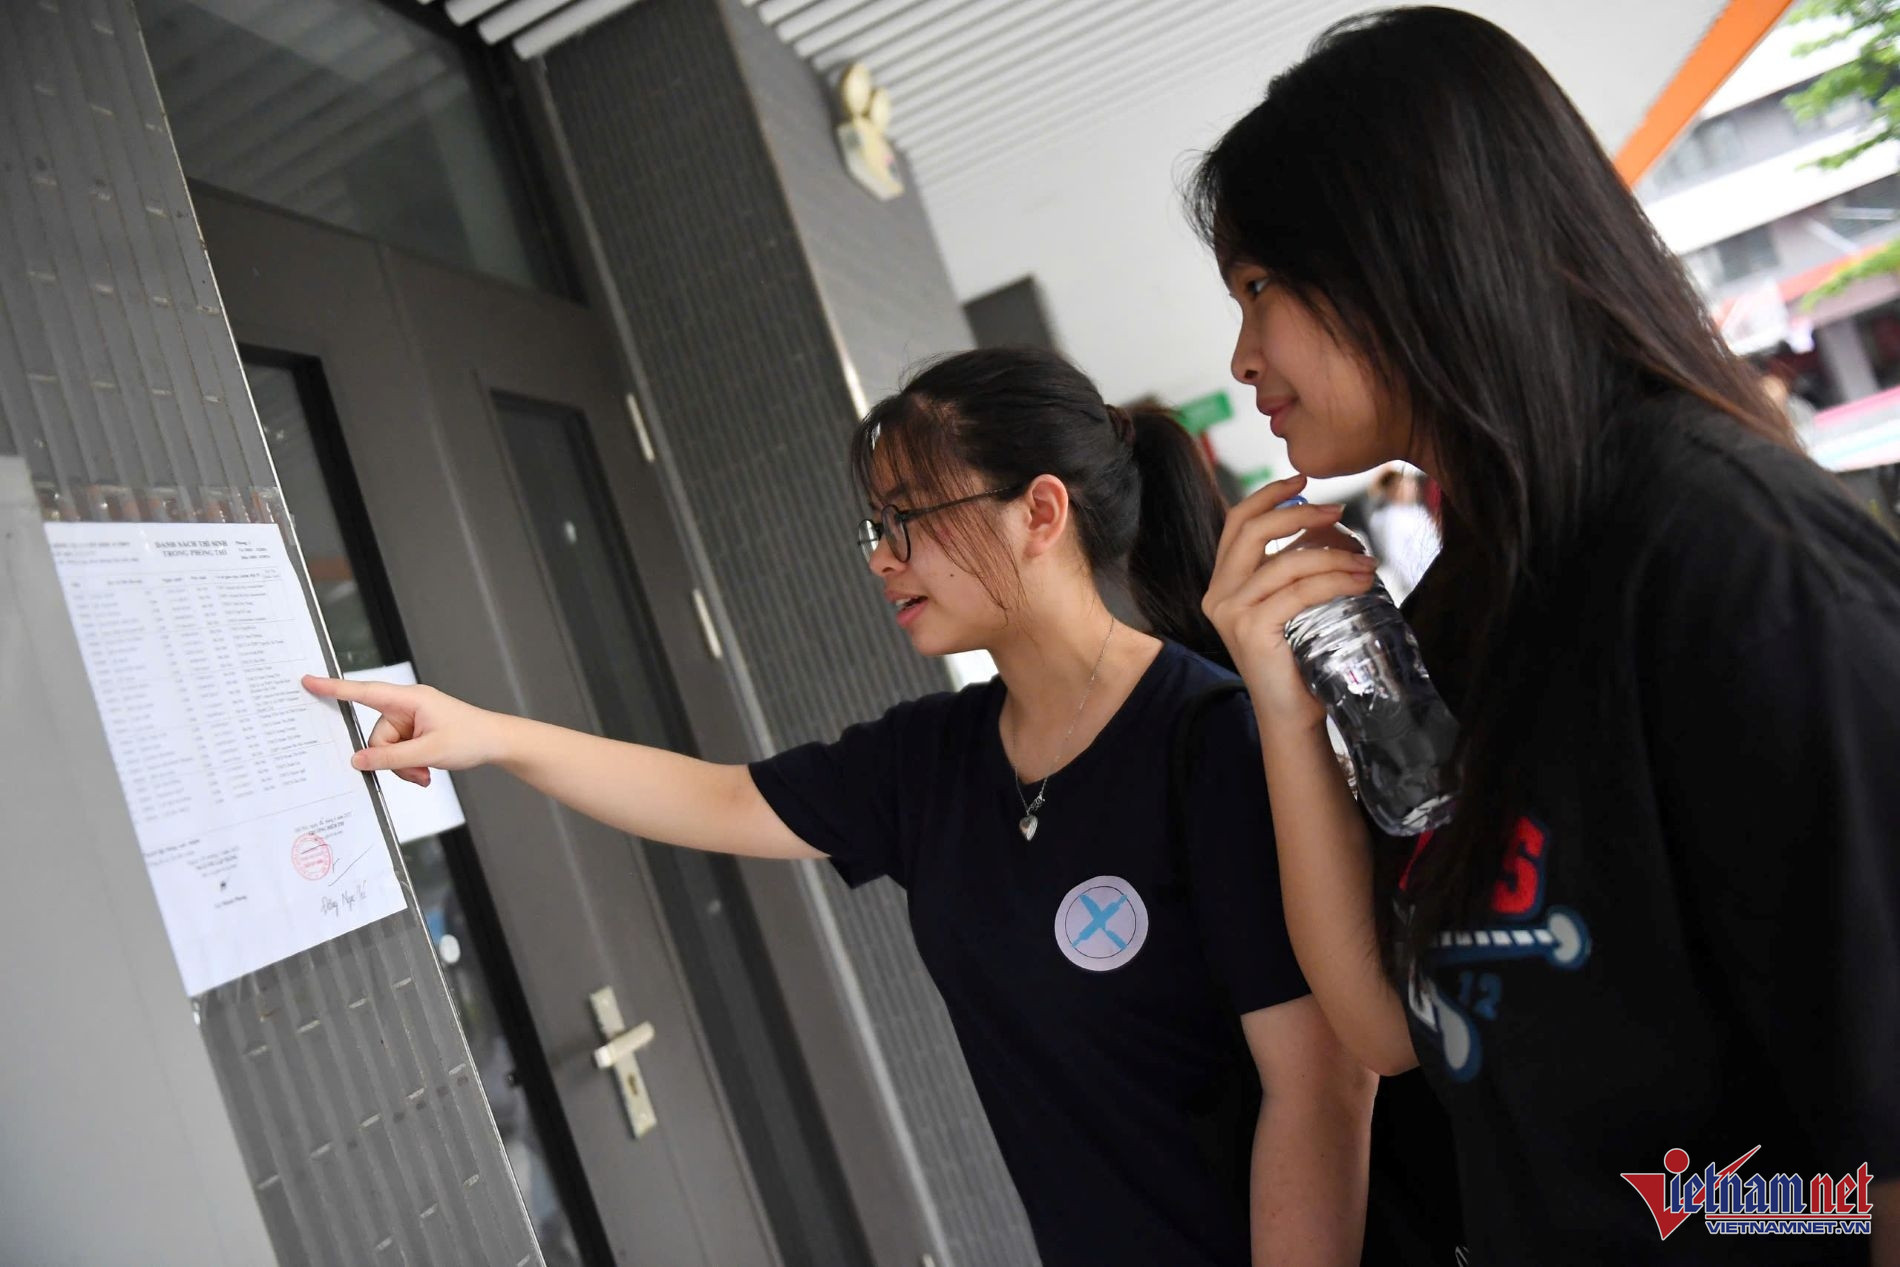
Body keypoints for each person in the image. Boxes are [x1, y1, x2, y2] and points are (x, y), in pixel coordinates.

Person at [305, 346, 1378, 1267]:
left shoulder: (1211, 740)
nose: (880, 555)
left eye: (908, 519)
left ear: (1040, 512)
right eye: (875, 523)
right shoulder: (935, 758)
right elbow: (720, 797)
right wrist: (489, 735)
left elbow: (1322, 1089)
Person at [1190, 8, 1899, 1264]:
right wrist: (1284, 705)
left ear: (1404, 249)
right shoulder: (1476, 598)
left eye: (1257, 288)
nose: (1243, 356)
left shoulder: (1730, 562)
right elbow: (1392, 1027)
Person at [1364, 466, 1439, 603]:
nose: (1412, 485)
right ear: (1395, 489)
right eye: (1406, 482)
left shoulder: (1413, 510)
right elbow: (1400, 560)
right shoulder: (1394, 521)